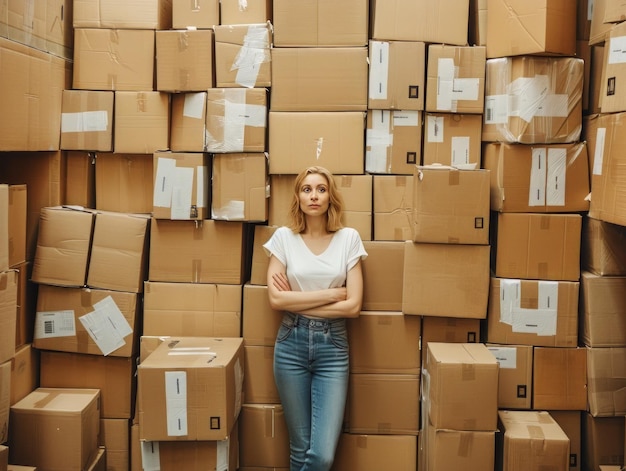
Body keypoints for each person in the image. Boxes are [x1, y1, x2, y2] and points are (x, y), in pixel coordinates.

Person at [263, 166, 368, 471]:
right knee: (300, 449)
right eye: (307, 189)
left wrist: (296, 302)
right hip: (290, 345)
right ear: (298, 196)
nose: (314, 195)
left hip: (332, 348)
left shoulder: (348, 238)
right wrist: (333, 294)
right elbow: (275, 300)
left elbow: (354, 307)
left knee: (321, 455)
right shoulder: (283, 238)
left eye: (321, 189)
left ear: (330, 197)